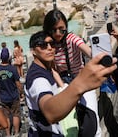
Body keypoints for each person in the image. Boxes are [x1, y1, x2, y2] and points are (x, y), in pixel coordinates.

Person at [25, 31, 117, 136]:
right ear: (33, 51)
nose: (50, 48)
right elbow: (50, 112)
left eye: (52, 44)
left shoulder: (45, 69)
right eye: (43, 45)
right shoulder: (38, 77)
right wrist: (82, 82)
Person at [43, 9, 101, 137]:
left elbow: (88, 51)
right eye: (54, 30)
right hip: (63, 82)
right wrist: (62, 86)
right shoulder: (50, 44)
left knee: (92, 116)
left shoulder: (71, 38)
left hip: (82, 79)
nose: (58, 33)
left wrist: (100, 58)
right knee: (67, 122)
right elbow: (52, 69)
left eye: (61, 29)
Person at [0, 48, 22, 136]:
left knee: (6, 116)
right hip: (14, 95)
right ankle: (16, 133)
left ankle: (8, 134)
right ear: (9, 57)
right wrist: (21, 93)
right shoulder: (13, 69)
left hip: (3, 97)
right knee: (16, 114)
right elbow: (18, 84)